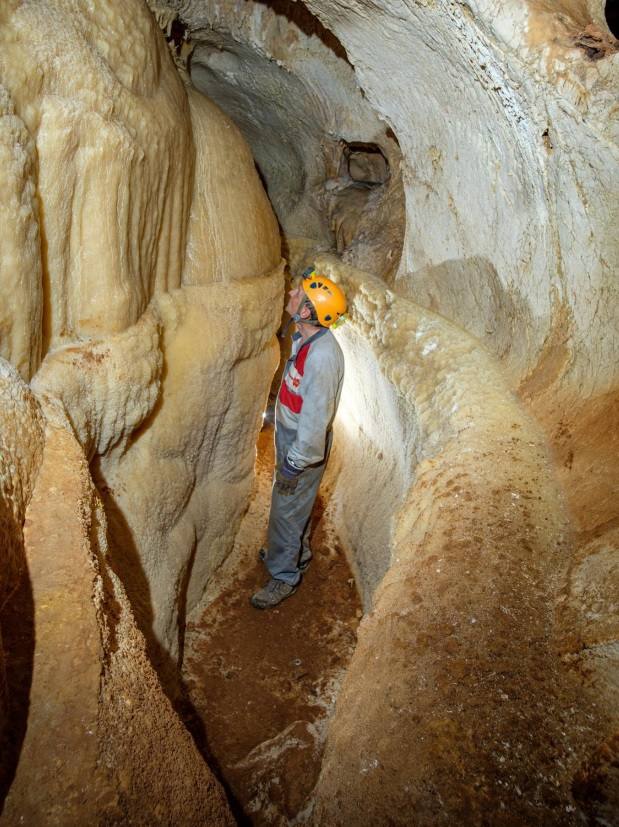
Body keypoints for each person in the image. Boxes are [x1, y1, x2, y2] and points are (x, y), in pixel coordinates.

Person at [250, 267, 347, 610]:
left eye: (297, 294)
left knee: (285, 511)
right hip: (290, 434)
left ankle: (284, 576)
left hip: (302, 447)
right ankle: (294, 553)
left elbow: (316, 420)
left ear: (307, 311)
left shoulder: (322, 357)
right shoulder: (305, 337)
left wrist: (295, 461)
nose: (291, 294)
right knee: (291, 508)